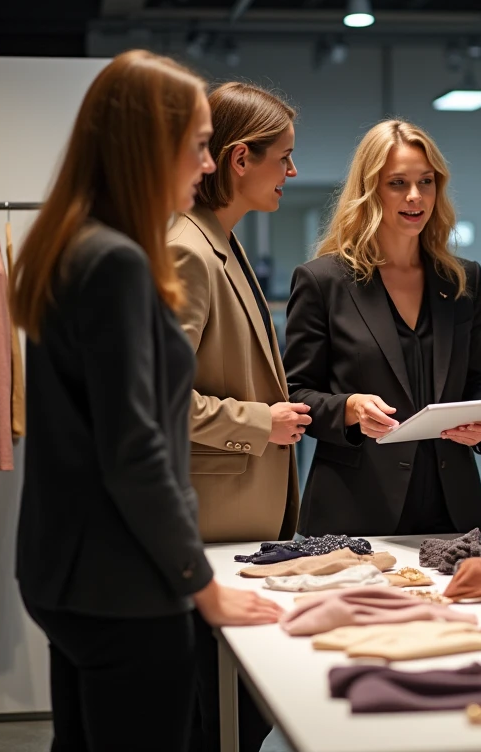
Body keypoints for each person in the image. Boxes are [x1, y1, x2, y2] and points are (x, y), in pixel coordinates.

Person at [12, 50, 281, 751]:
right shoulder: (118, 262)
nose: (206, 163)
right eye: (197, 145)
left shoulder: (76, 245)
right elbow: (135, 448)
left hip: (70, 575)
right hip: (123, 583)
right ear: (149, 145)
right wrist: (202, 584)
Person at [168, 81, 304, 751]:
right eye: (285, 156)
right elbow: (162, 398)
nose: (294, 171)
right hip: (207, 522)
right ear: (240, 158)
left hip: (236, 525)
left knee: (235, 717)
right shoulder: (189, 248)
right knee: (210, 720)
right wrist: (260, 423)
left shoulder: (224, 240)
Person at [284, 119, 481, 536]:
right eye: (397, 182)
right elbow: (295, 392)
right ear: (370, 190)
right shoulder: (322, 280)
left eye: (426, 181)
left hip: (452, 506)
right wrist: (349, 409)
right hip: (354, 508)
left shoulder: (463, 280)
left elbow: (477, 379)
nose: (415, 195)